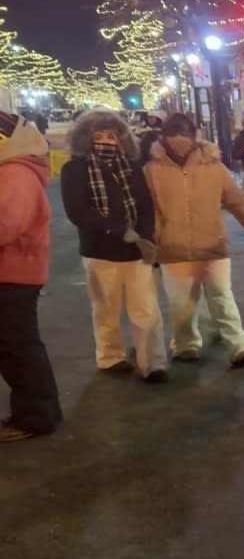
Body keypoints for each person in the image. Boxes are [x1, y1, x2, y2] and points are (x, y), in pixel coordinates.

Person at [143, 113, 244, 368]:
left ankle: (239, 344)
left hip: (213, 246)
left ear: (194, 136)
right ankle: (186, 345)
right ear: (164, 138)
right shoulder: (152, 170)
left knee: (222, 299)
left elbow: (237, 202)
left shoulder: (214, 167)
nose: (179, 142)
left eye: (184, 135)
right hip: (173, 249)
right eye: (173, 136)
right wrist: (155, 244)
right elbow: (150, 212)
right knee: (181, 306)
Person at [60, 110, 168, 384]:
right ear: (86, 138)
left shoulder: (132, 167)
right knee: (106, 309)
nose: (107, 140)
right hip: (100, 251)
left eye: (112, 135)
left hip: (136, 251)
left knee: (145, 308)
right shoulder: (75, 169)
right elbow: (78, 211)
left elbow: (145, 204)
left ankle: (152, 362)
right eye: (99, 135)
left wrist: (145, 235)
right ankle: (110, 357)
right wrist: (119, 230)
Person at [0, 111, 63, 442]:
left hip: (14, 273)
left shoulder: (14, 174)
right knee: (16, 346)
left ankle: (36, 415)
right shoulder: (14, 170)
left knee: (18, 346)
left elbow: (5, 224)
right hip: (15, 271)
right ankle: (38, 411)